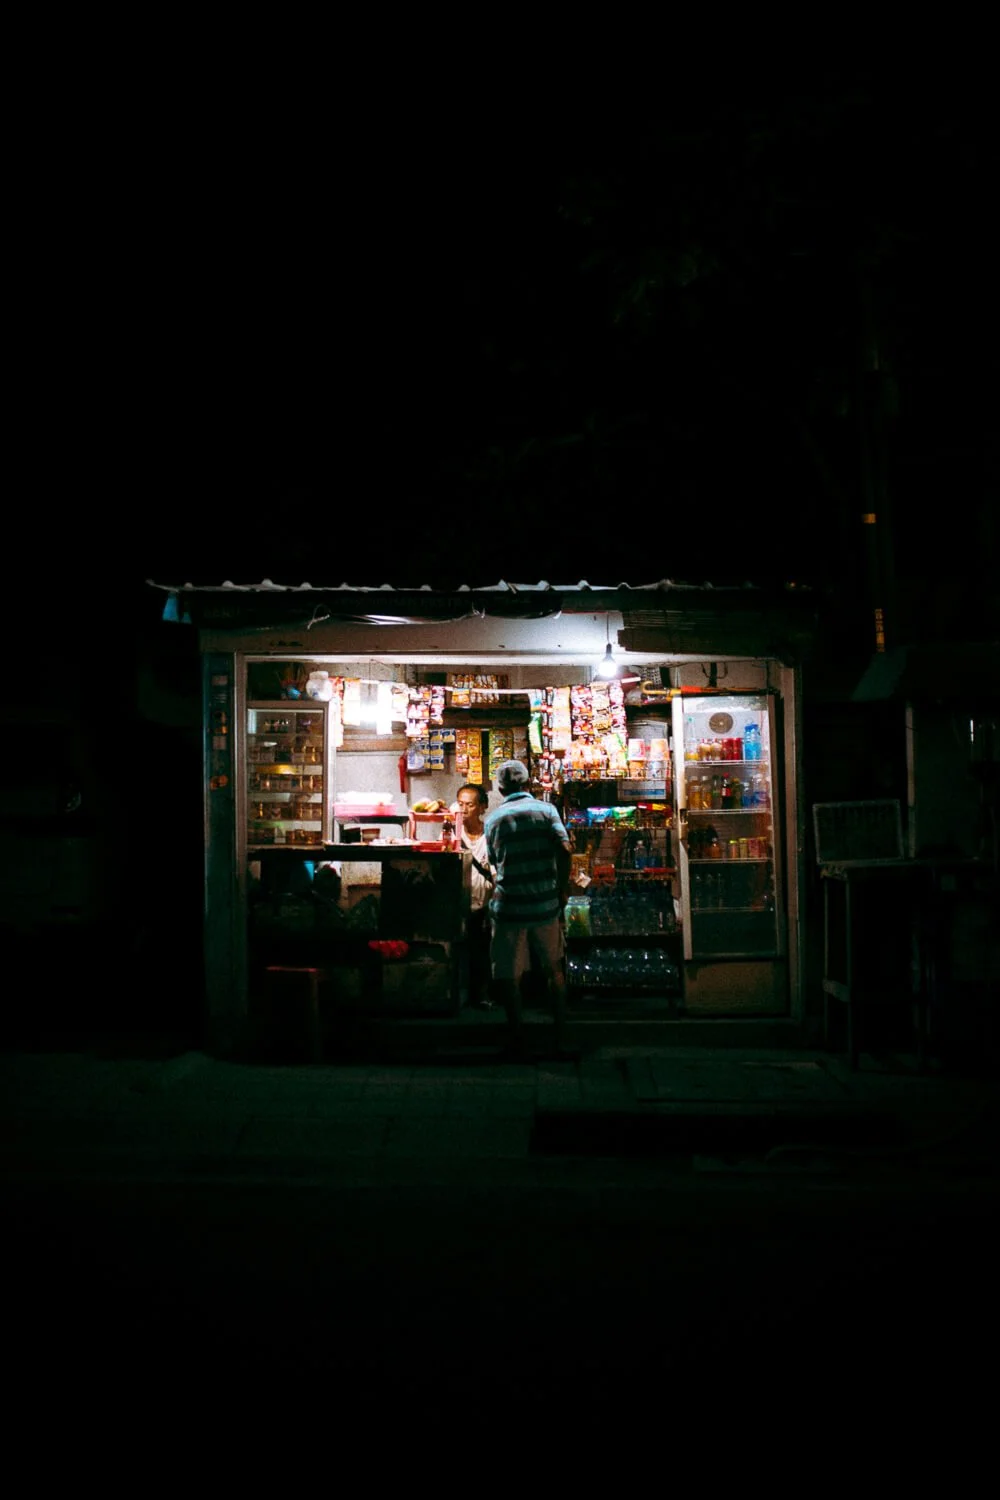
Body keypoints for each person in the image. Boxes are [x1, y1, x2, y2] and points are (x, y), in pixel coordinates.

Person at [484, 759, 575, 1059]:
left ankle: (517, 1039)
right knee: (554, 971)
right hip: (545, 905)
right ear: (528, 784)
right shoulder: (547, 811)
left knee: (510, 976)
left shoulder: (494, 819)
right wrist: (562, 888)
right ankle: (562, 1038)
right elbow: (564, 850)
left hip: (509, 907)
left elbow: (495, 862)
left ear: (500, 787)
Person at [453, 782, 494, 1009]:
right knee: (462, 951)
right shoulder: (452, 835)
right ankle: (461, 995)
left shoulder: (491, 836)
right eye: (460, 804)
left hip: (486, 905)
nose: (464, 809)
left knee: (483, 952)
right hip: (460, 904)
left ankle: (483, 995)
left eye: (469, 804)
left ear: (482, 807)